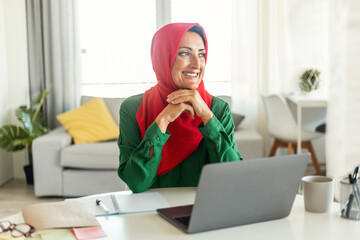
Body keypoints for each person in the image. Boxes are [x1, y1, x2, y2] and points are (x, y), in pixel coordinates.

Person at [117, 23, 243, 193]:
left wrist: (207, 117)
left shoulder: (218, 110)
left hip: (202, 211)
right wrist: (162, 121)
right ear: (163, 57)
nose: (197, 64)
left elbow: (235, 178)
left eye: (202, 54)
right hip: (149, 212)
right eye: (185, 53)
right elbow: (136, 183)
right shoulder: (134, 109)